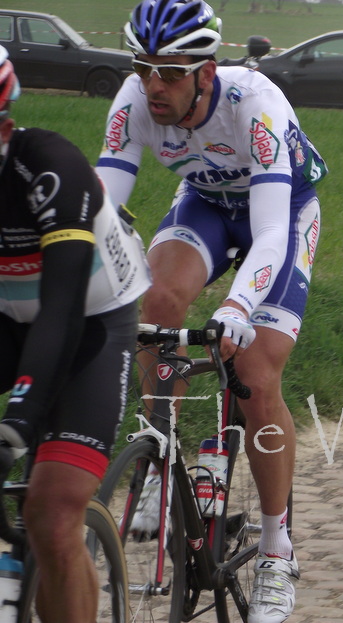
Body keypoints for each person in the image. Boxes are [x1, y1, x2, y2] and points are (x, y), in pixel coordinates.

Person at [95, 1, 326, 621]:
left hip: (281, 214)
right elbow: (100, 208)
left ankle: (278, 551)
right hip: (203, 202)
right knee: (154, 302)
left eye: (170, 72)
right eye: (144, 68)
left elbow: (272, 232)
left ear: (207, 70)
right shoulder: (135, 98)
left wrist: (237, 305)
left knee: (254, 376)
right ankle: (161, 456)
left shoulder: (256, 105)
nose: (154, 85)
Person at [0, 46, 151, 621]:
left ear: (6, 127)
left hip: (91, 325)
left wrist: (17, 423)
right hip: (9, 321)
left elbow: (61, 311)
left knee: (52, 512)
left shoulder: (49, 168)